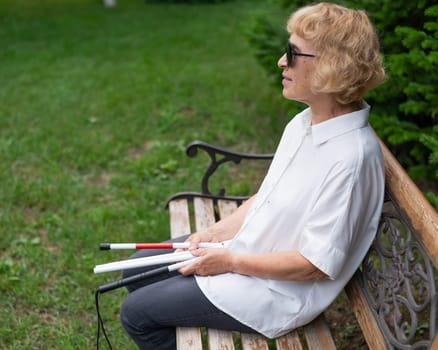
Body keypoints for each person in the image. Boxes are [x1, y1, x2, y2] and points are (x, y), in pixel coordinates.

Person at [120, 2, 386, 349]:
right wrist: (213, 233)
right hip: (249, 251)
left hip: (276, 293)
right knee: (136, 270)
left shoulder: (350, 159)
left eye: (293, 53)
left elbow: (314, 266)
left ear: (333, 68)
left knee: (136, 313)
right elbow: (268, 196)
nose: (281, 61)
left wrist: (229, 260)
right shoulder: (305, 121)